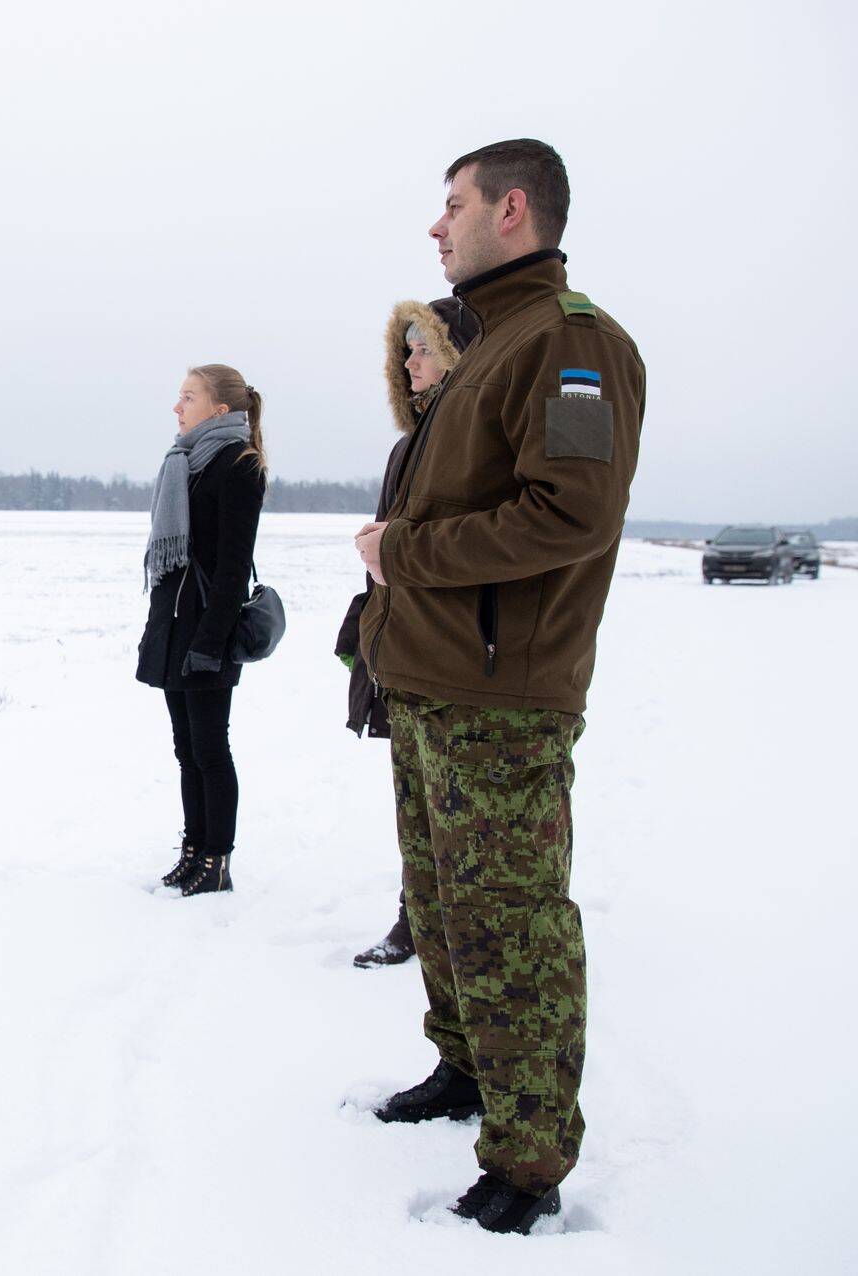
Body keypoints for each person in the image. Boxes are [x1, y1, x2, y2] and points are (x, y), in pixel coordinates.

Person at [354, 139, 645, 1235]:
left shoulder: (571, 344)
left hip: (501, 697)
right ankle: (467, 1068)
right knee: (441, 905)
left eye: (454, 205)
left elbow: (570, 515)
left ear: (513, 209)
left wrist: (403, 555)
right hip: (434, 684)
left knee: (510, 925)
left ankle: (528, 1160)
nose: (437, 227)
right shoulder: (488, 347)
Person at [339, 297, 479, 968]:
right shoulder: (408, 447)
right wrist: (365, 631)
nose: (410, 362)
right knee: (416, 810)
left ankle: (451, 933)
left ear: (459, 356)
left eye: (425, 349)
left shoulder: (470, 440)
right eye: (407, 349)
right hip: (402, 644)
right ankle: (416, 922)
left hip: (452, 654)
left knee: (460, 818)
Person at [136, 364, 267, 897]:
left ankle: (218, 860)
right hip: (173, 625)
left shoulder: (239, 465)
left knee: (211, 748)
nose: (177, 406)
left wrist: (211, 643)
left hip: (209, 629)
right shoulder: (182, 462)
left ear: (220, 409)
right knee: (185, 749)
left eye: (188, 397)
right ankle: (194, 848)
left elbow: (234, 567)